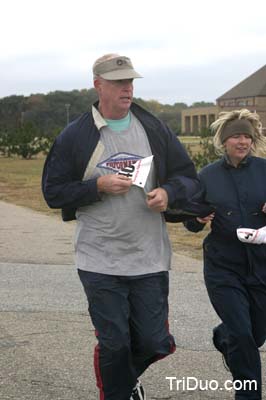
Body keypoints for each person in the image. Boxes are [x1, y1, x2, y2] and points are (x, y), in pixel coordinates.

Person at [42, 53, 211, 400]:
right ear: (98, 85)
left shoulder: (153, 128)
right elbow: (53, 192)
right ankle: (118, 393)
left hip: (149, 256)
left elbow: (188, 179)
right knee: (114, 342)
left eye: (131, 82)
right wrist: (96, 188)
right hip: (99, 257)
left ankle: (124, 380)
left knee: (154, 342)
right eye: (119, 82)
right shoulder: (76, 136)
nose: (127, 88)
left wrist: (168, 191)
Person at [185, 109, 266, 400]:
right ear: (224, 141)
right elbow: (189, 222)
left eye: (247, 136)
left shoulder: (264, 170)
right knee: (244, 337)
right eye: (236, 136)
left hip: (262, 266)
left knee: (254, 334)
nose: (242, 141)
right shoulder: (207, 176)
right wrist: (198, 219)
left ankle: (223, 337)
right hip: (223, 268)